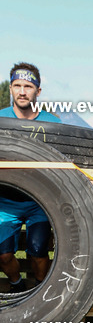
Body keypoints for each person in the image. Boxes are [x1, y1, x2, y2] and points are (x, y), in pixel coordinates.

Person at [0, 63, 60, 292]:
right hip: (5, 203)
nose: (22, 91)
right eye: (17, 85)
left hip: (39, 203)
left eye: (28, 86)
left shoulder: (53, 124)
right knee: (3, 255)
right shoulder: (0, 119)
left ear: (38, 91)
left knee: (38, 251)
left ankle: (39, 291)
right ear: (11, 88)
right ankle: (17, 286)